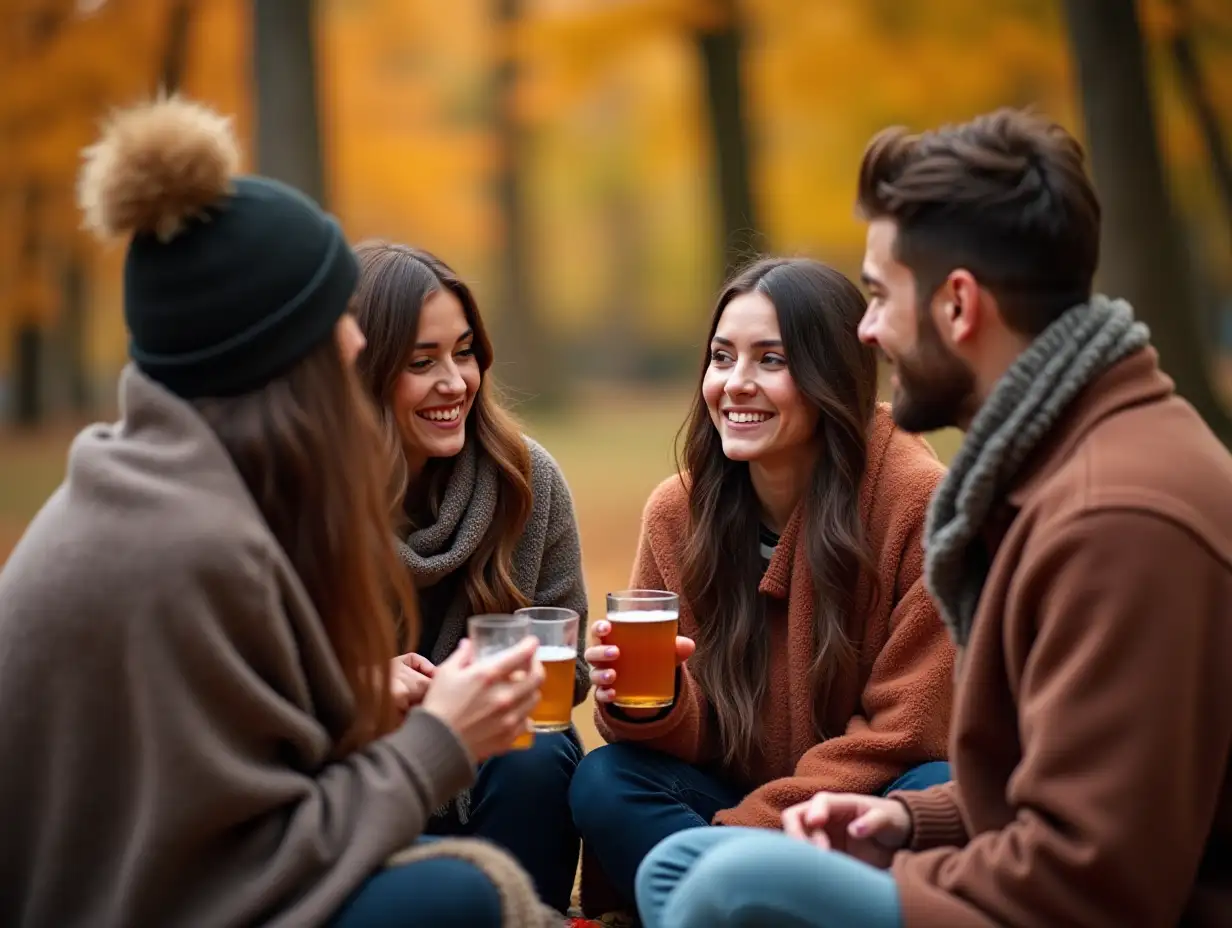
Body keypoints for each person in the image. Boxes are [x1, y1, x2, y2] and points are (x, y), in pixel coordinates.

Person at [634, 109, 1232, 928]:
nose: (866, 330)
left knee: (720, 886)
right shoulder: (1069, 465)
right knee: (681, 866)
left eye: (879, 296)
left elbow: (1096, 889)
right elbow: (1058, 785)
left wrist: (894, 876)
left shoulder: (1113, 519)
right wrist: (915, 823)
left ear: (959, 306)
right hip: (1007, 866)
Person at [0, 96, 562, 928]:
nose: (355, 342)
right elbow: (250, 872)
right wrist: (440, 739)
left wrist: (361, 702)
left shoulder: (150, 487)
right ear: (278, 357)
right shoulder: (194, 543)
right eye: (336, 318)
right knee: (461, 897)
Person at [568, 257, 956, 914]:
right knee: (605, 780)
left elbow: (907, 733)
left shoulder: (918, 505)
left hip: (853, 811)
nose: (735, 384)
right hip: (726, 808)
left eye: (770, 361)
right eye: (722, 358)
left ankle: (717, 900)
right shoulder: (677, 512)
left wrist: (740, 843)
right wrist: (655, 704)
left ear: (831, 375)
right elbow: (707, 739)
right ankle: (746, 906)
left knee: (938, 785)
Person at [350, 241, 590, 914]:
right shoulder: (312, 505)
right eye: (421, 362)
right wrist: (361, 685)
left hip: (498, 769)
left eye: (464, 352)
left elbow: (566, 679)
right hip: (362, 783)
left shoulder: (525, 479)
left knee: (538, 752)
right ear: (362, 372)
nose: (454, 382)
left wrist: (499, 687)